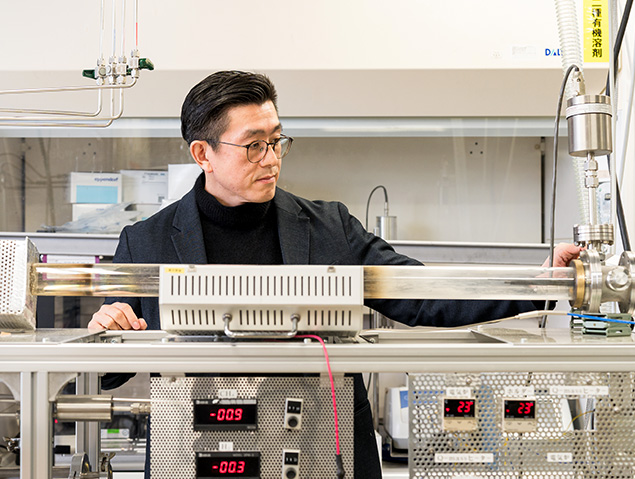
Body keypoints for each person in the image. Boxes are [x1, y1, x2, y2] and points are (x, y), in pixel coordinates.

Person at [89, 70, 582, 478]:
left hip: (322, 448)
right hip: (199, 451)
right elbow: (110, 366)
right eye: (254, 146)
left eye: (277, 141)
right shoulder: (147, 242)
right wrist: (106, 330)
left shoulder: (329, 227)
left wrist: (539, 282)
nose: (272, 159)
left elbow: (423, 295)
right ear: (203, 154)